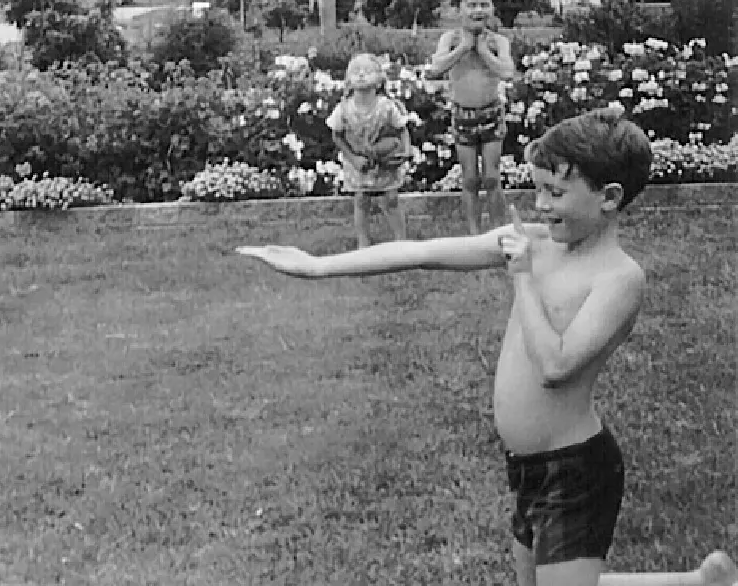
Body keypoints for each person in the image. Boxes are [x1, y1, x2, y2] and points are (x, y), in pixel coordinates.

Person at [235, 108, 653, 586]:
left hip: (575, 469)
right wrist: (318, 266)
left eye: (555, 193)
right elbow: (423, 253)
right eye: (537, 189)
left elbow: (556, 366)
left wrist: (523, 278)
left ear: (609, 197)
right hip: (528, 467)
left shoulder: (618, 278)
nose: (539, 205)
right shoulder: (534, 243)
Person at [428, 0, 515, 234]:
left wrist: (484, 52)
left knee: (491, 177)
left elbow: (507, 71)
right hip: (463, 114)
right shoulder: (450, 39)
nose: (478, 10)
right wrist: (464, 47)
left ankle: (498, 231)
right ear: (460, 10)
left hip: (491, 113)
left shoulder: (498, 42)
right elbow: (436, 68)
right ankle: (474, 233)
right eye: (472, 5)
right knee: (470, 178)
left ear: (492, 9)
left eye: (484, 5)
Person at [327, 52, 412, 249]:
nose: (361, 75)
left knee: (391, 198)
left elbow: (402, 129)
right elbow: (337, 136)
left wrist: (406, 150)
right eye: (356, 71)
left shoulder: (386, 107)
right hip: (359, 162)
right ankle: (363, 241)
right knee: (361, 199)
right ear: (348, 80)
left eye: (367, 71)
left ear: (379, 80)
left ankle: (401, 240)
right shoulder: (344, 109)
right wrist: (353, 159)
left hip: (384, 161)